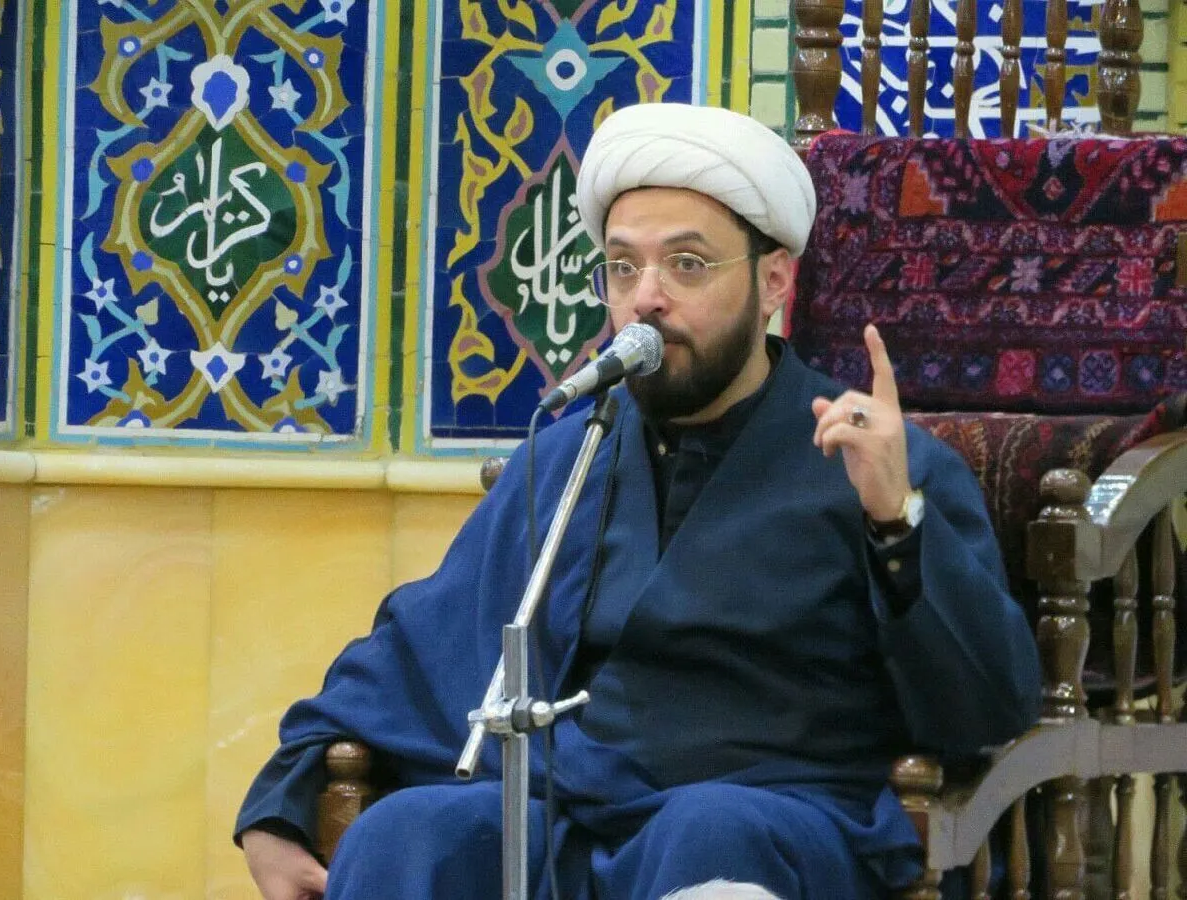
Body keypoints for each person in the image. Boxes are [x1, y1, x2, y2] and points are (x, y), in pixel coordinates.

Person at [236, 102, 1043, 899]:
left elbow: (984, 706)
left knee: (706, 833)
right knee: (407, 834)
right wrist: (282, 803)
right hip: (571, 807)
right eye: (623, 267)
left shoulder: (878, 463)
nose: (646, 298)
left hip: (776, 816)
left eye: (686, 264)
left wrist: (896, 521)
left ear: (772, 281)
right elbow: (420, 648)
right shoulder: (569, 454)